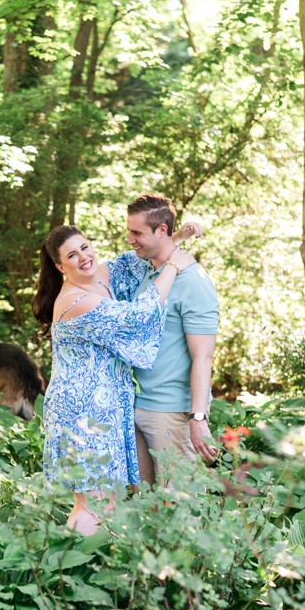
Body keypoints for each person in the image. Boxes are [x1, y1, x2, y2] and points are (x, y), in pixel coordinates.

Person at [31, 224, 195, 535]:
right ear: (59, 266)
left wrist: (176, 239)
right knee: (95, 502)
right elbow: (137, 318)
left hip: (103, 404)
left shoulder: (101, 276)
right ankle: (69, 571)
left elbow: (135, 259)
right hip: (81, 410)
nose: (83, 257)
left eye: (85, 247)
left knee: (108, 499)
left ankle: (86, 566)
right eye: (72, 255)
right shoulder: (75, 300)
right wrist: (174, 266)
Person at [107, 193, 221, 486]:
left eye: (137, 233)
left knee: (179, 513)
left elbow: (203, 357)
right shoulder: (149, 271)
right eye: (129, 231)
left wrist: (198, 418)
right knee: (144, 507)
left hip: (172, 413)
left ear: (161, 231)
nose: (130, 240)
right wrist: (180, 237)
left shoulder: (194, 282)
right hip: (139, 406)